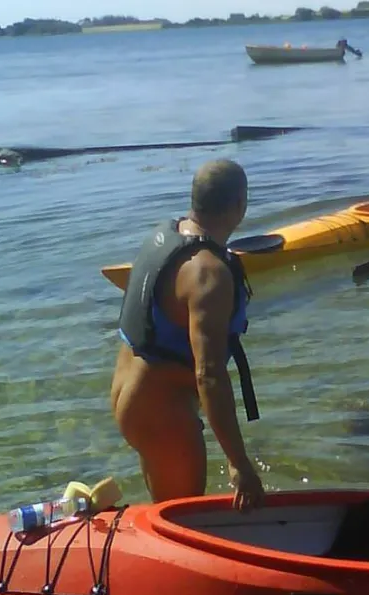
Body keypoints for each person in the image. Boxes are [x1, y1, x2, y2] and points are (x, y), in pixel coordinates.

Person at [111, 158, 266, 512]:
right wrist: (238, 462)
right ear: (239, 205)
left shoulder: (166, 233)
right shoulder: (208, 274)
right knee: (183, 520)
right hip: (163, 414)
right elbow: (209, 375)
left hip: (132, 396)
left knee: (165, 511)